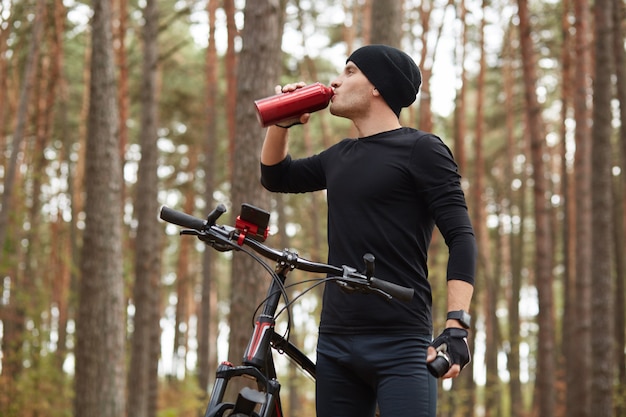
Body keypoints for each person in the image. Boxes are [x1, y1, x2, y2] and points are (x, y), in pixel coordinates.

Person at [259, 44, 477, 417]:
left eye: (349, 72)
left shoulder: (421, 149)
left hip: (402, 342)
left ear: (377, 85)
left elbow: (461, 237)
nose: (334, 81)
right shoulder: (338, 156)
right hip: (335, 343)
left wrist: (457, 326)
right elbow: (276, 176)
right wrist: (283, 123)